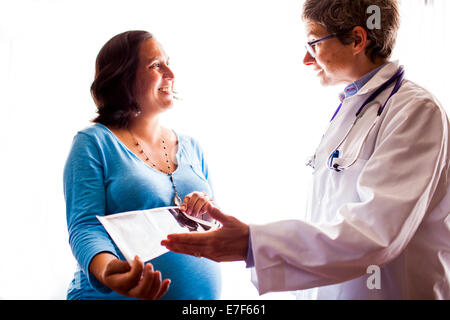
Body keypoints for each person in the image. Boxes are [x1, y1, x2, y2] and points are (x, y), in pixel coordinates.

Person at [162, 0, 450, 299]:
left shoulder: (415, 111)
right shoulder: (353, 108)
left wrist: (252, 243)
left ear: (357, 40)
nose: (305, 59)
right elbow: (329, 218)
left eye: (314, 43)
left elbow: (375, 234)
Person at [63, 30, 221, 300]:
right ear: (123, 78)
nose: (170, 73)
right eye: (156, 65)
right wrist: (110, 271)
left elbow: (215, 227)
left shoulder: (192, 147)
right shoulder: (94, 143)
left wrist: (206, 210)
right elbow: (85, 225)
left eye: (169, 62)